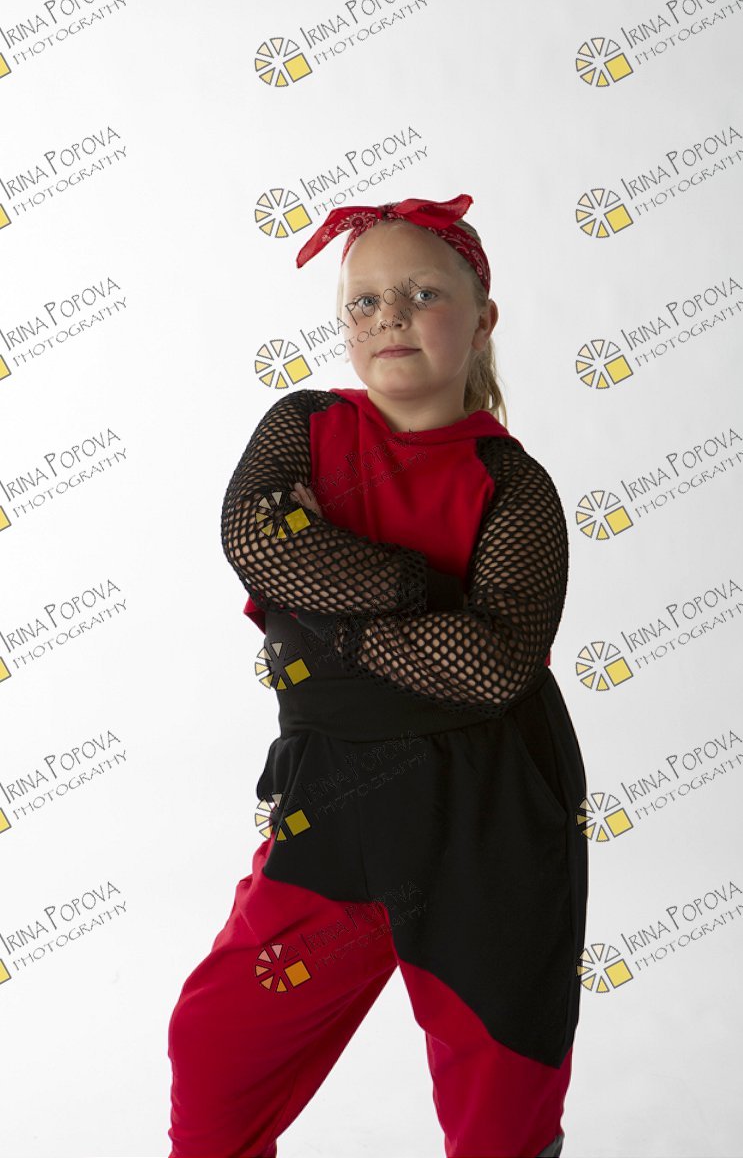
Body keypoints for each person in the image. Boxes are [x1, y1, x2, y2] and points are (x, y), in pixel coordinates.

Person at [166, 193, 589, 1158]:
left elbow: (493, 664)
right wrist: (424, 588)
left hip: (489, 810)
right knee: (217, 1040)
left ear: (482, 318)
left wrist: (329, 599)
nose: (389, 315)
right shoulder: (305, 425)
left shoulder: (515, 487)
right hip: (332, 801)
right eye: (363, 301)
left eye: (423, 293)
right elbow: (255, 541)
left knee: (501, 1086)